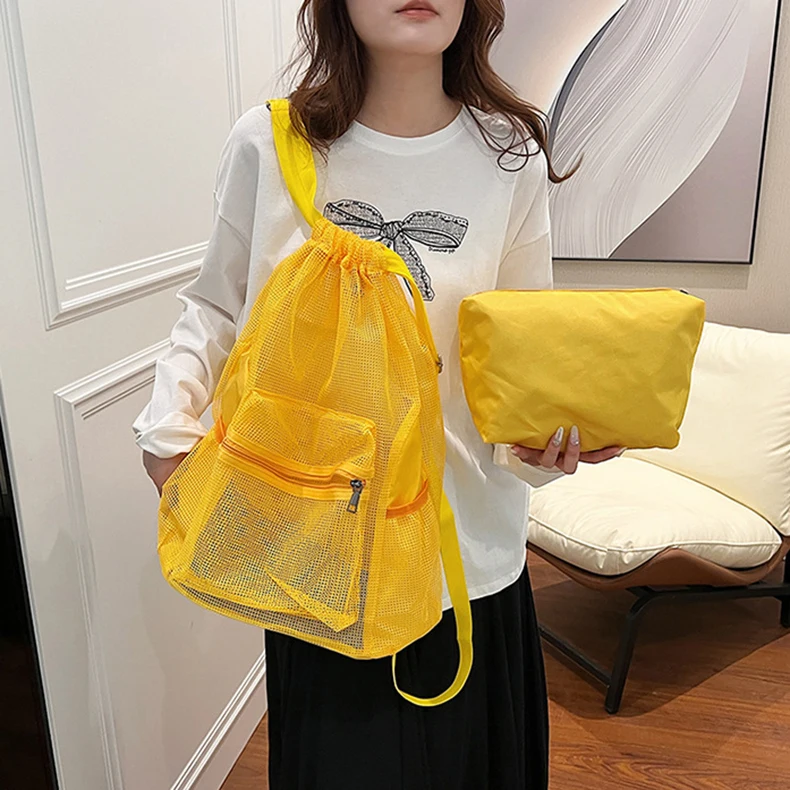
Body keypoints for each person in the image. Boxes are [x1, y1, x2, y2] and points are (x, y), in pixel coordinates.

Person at [134, 1, 622, 787]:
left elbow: (519, 356)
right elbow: (216, 307)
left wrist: (544, 445)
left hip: (468, 558)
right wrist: (168, 434)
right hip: (318, 552)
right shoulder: (271, 143)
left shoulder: (510, 158)